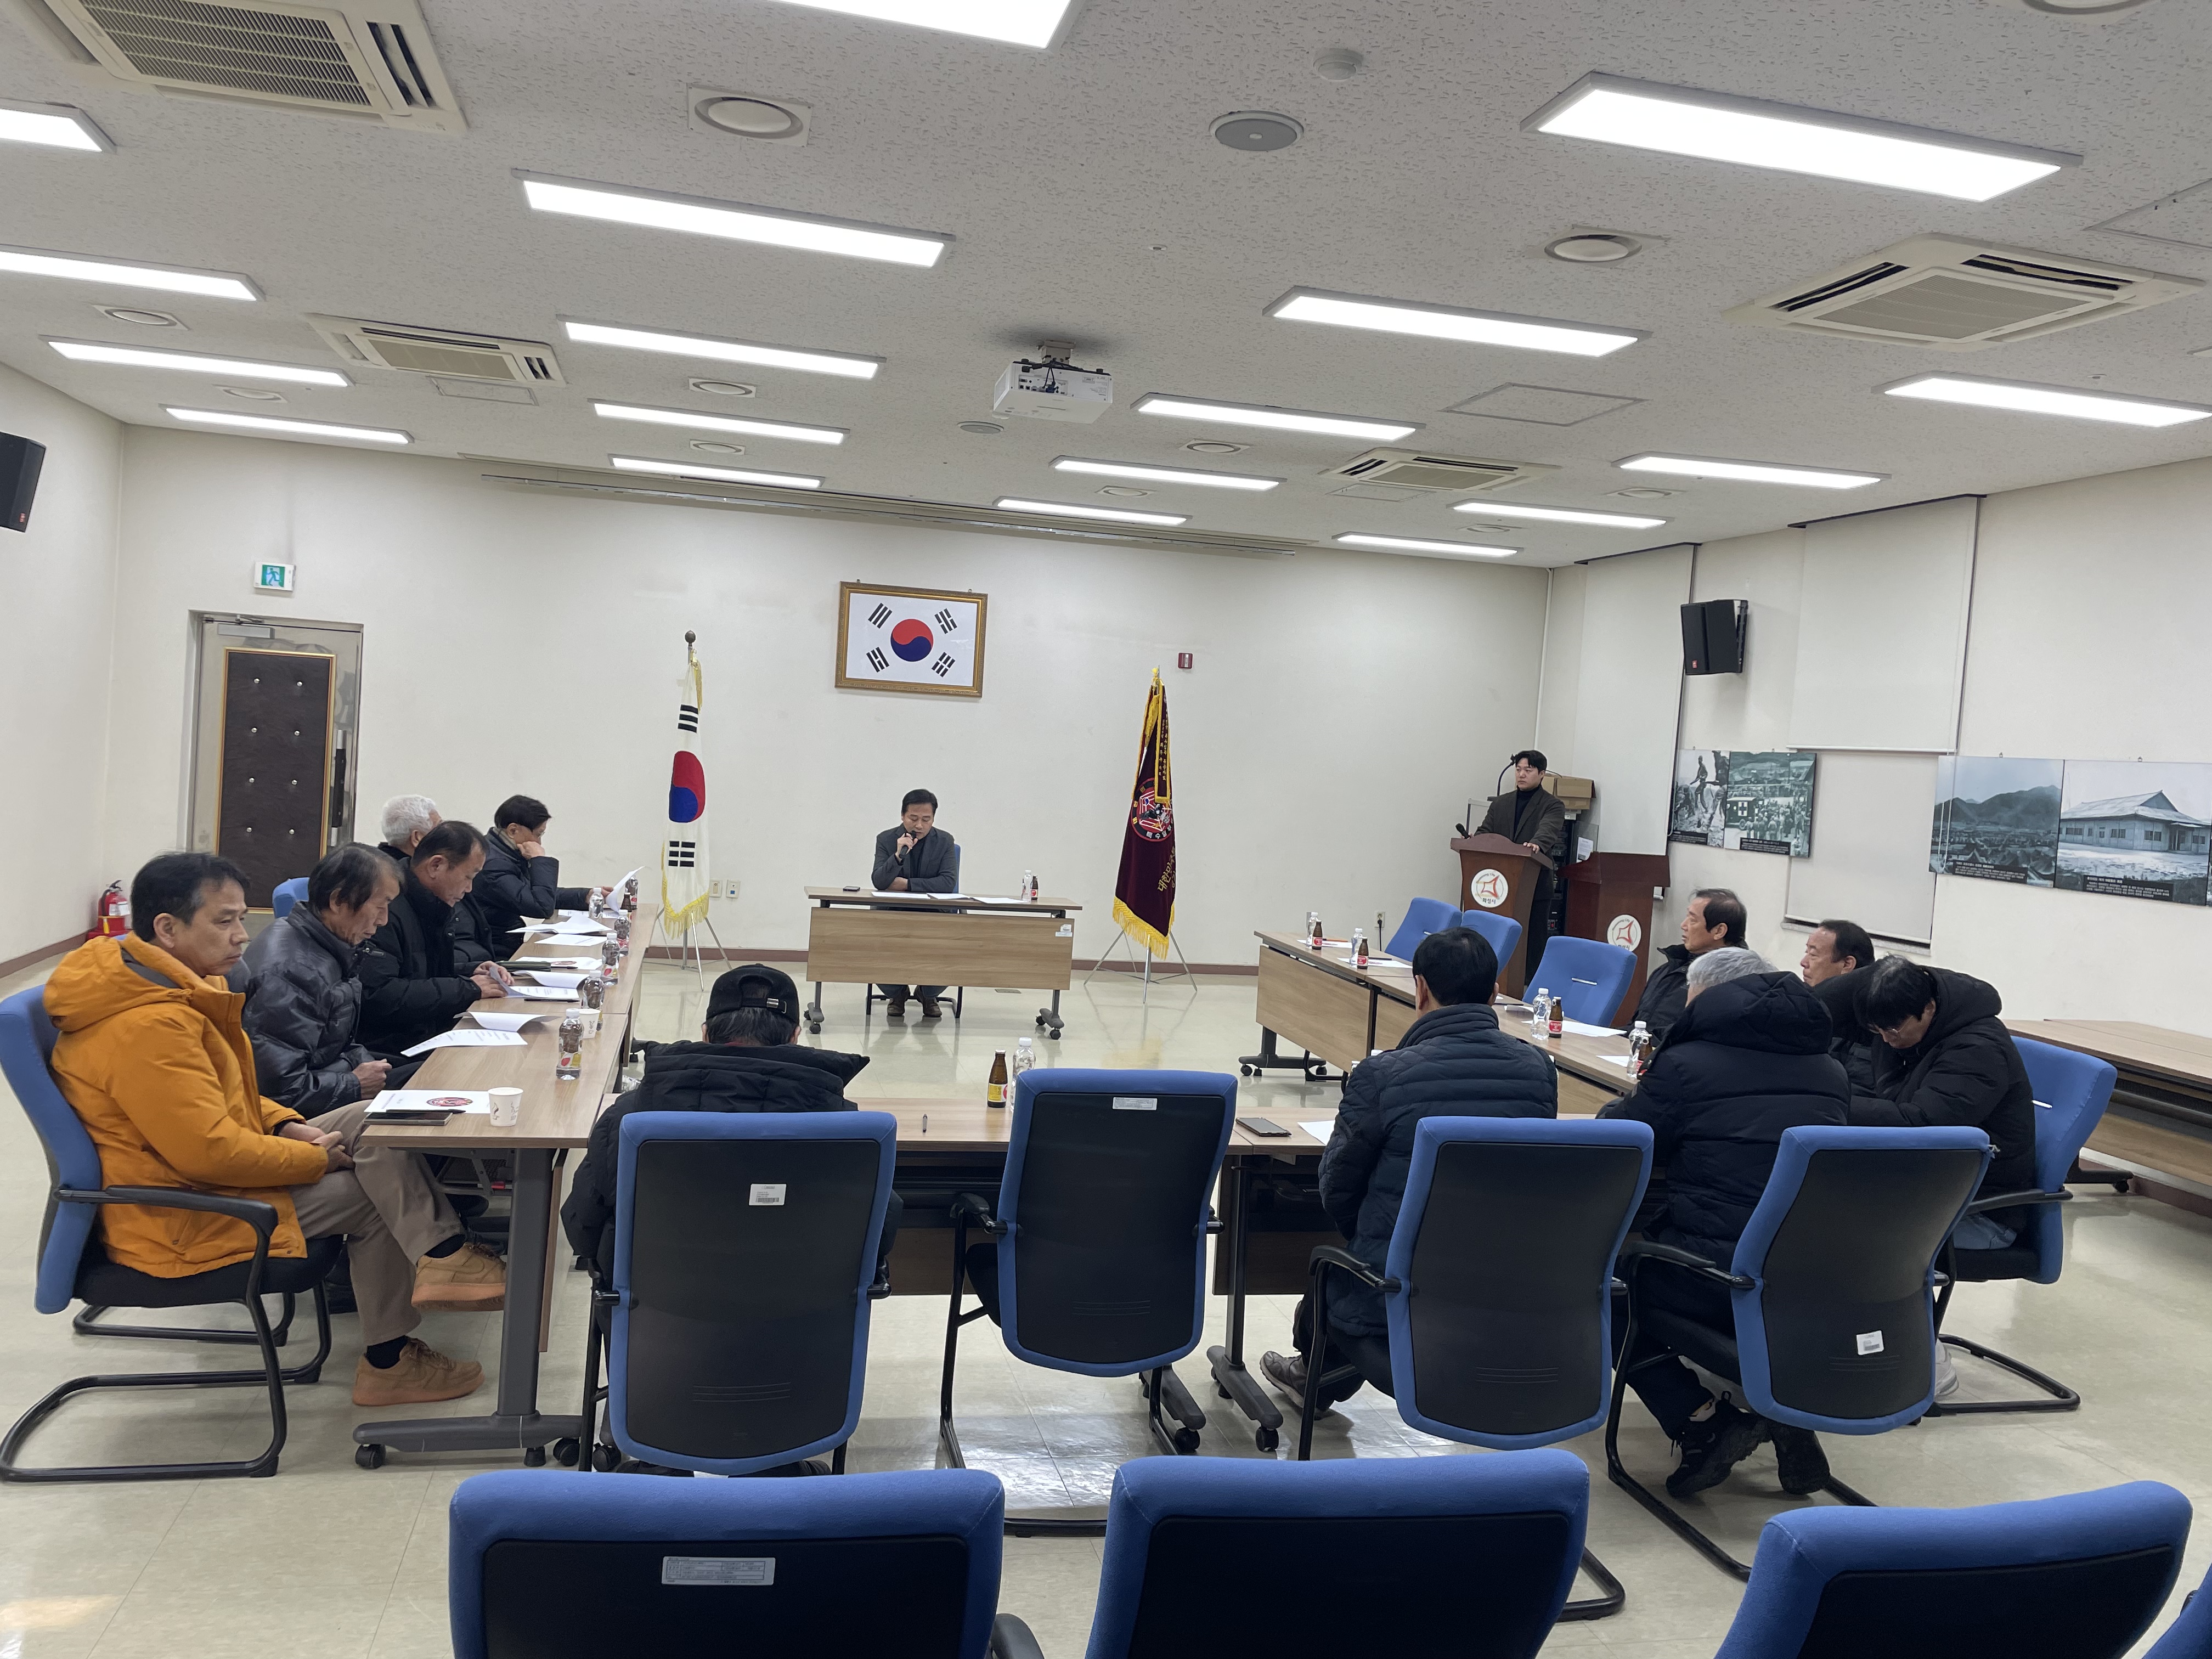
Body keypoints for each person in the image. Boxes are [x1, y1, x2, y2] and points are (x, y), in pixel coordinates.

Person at [44, 852, 507, 1409]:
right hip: (181, 1215)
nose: (243, 936)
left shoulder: (175, 990)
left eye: (242, 918)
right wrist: (313, 1160)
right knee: (370, 1194)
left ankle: (444, 1256)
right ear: (167, 928)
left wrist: (287, 1125)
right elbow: (208, 1154)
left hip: (205, 1174)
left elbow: (233, 1093)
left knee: (372, 1119)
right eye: (224, 921)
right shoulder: (149, 1026)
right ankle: (390, 1363)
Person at [1260, 927, 1558, 1409]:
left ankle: (1315, 1376)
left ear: (1420, 989)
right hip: (1504, 1288)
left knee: (1337, 1273)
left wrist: (1372, 1234)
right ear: (1495, 992)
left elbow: (1336, 1186)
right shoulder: (1539, 1070)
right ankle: (1317, 1381)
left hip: (1401, 1288)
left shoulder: (1382, 1075)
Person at [1601, 947, 1848, 1499]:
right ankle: (1785, 1416)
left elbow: (1625, 1136)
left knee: (1605, 1285)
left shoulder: (1687, 1065)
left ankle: (1699, 1419)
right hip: (1811, 1278)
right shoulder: (1831, 1070)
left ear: (1709, 998)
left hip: (1719, 1279)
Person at [561, 964, 900, 1280]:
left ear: (706, 1034)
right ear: (795, 1037)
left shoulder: (632, 1119)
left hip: (655, 1315)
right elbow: (879, 1231)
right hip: (807, 1315)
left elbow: (583, 1228)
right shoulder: (844, 1129)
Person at [1850, 957, 2035, 1243]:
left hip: (1979, 1211)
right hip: (1931, 1190)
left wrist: (1832, 1103)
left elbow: (1923, 1127)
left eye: (1893, 1031)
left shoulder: (1978, 1051)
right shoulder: (1920, 1030)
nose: (1886, 1040)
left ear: (1929, 1008)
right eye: (1878, 1031)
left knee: (1843, 1234)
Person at [240, 843, 411, 1119]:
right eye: (380, 907)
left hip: (330, 1079)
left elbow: (334, 1045)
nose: (384, 920)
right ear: (338, 901)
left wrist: (363, 1068)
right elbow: (278, 1091)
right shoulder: (293, 973)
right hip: (297, 1116)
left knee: (427, 1073)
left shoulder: (324, 944)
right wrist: (355, 1084)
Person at [358, 821, 510, 1054]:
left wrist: (470, 971)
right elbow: (378, 995)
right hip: (392, 1046)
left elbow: (417, 970)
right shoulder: (387, 908)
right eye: (468, 877)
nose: (470, 888)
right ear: (436, 866)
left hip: (426, 1030)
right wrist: (466, 989)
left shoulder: (431, 902)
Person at [472, 795, 600, 960]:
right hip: (494, 951)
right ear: (513, 830)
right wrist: (539, 860)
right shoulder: (493, 865)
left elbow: (536, 893)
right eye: (538, 834)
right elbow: (541, 906)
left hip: (504, 943)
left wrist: (584, 896)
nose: (539, 843)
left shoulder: (506, 852)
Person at [870, 788, 959, 1019]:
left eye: (926, 820)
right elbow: (879, 881)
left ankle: (928, 994)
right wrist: (898, 856)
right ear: (903, 816)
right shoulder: (886, 839)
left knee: (955, 945)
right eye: (913, 818)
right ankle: (897, 993)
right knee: (872, 941)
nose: (919, 825)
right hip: (893, 912)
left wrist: (907, 884)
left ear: (933, 819)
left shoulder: (945, 841)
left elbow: (947, 883)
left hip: (934, 913)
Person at [1474, 749, 1566, 966]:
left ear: (1542, 774)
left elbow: (1547, 830)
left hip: (1533, 886)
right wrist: (1473, 841)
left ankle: (1529, 984)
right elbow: (1485, 832)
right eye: (1518, 769)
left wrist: (1537, 844)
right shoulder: (1501, 803)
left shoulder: (1552, 805)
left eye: (1528, 770)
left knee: (1532, 944)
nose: (1521, 774)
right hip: (1498, 887)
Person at [1632, 888, 1745, 1042]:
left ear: (1719, 931)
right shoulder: (1671, 967)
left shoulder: (1729, 982)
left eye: (1693, 920)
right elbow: (1638, 1025)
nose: (1683, 925)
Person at [1799, 918, 1878, 1091]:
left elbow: (1858, 1093)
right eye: (1807, 952)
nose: (1804, 962)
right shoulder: (1809, 1009)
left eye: (1813, 955)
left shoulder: (1870, 1025)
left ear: (1847, 964)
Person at [377, 793, 442, 861]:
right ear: (417, 838)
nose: (445, 831)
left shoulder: (375, 863)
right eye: (439, 827)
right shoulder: (416, 868)